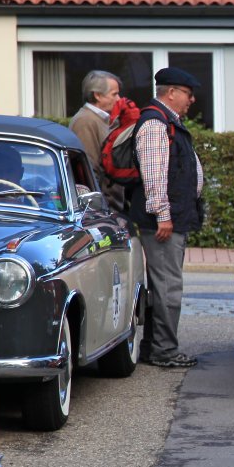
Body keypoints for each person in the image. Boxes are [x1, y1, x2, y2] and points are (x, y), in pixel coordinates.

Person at [130, 67, 206, 368]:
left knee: (163, 286)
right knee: (167, 288)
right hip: (163, 224)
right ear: (171, 93)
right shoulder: (155, 124)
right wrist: (163, 215)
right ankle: (164, 351)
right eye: (188, 93)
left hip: (172, 220)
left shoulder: (168, 122)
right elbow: (154, 176)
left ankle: (155, 347)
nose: (192, 99)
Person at [70, 70, 123, 199]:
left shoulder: (101, 119)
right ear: (97, 95)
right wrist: (99, 204)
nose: (119, 99)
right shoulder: (85, 121)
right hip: (102, 204)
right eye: (114, 94)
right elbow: (88, 169)